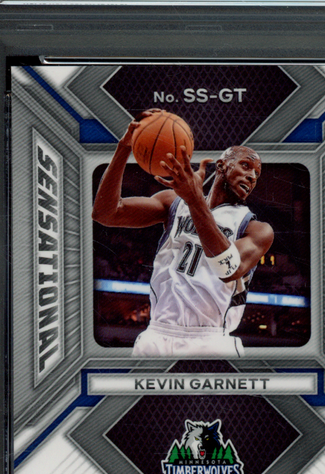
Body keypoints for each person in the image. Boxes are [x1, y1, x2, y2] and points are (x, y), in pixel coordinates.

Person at [92, 110, 274, 357]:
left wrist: (195, 200)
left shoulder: (256, 228)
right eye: (246, 165)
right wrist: (124, 148)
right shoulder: (174, 203)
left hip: (211, 341)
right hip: (156, 336)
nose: (252, 176)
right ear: (221, 166)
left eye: (256, 174)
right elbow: (105, 213)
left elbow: (228, 269)